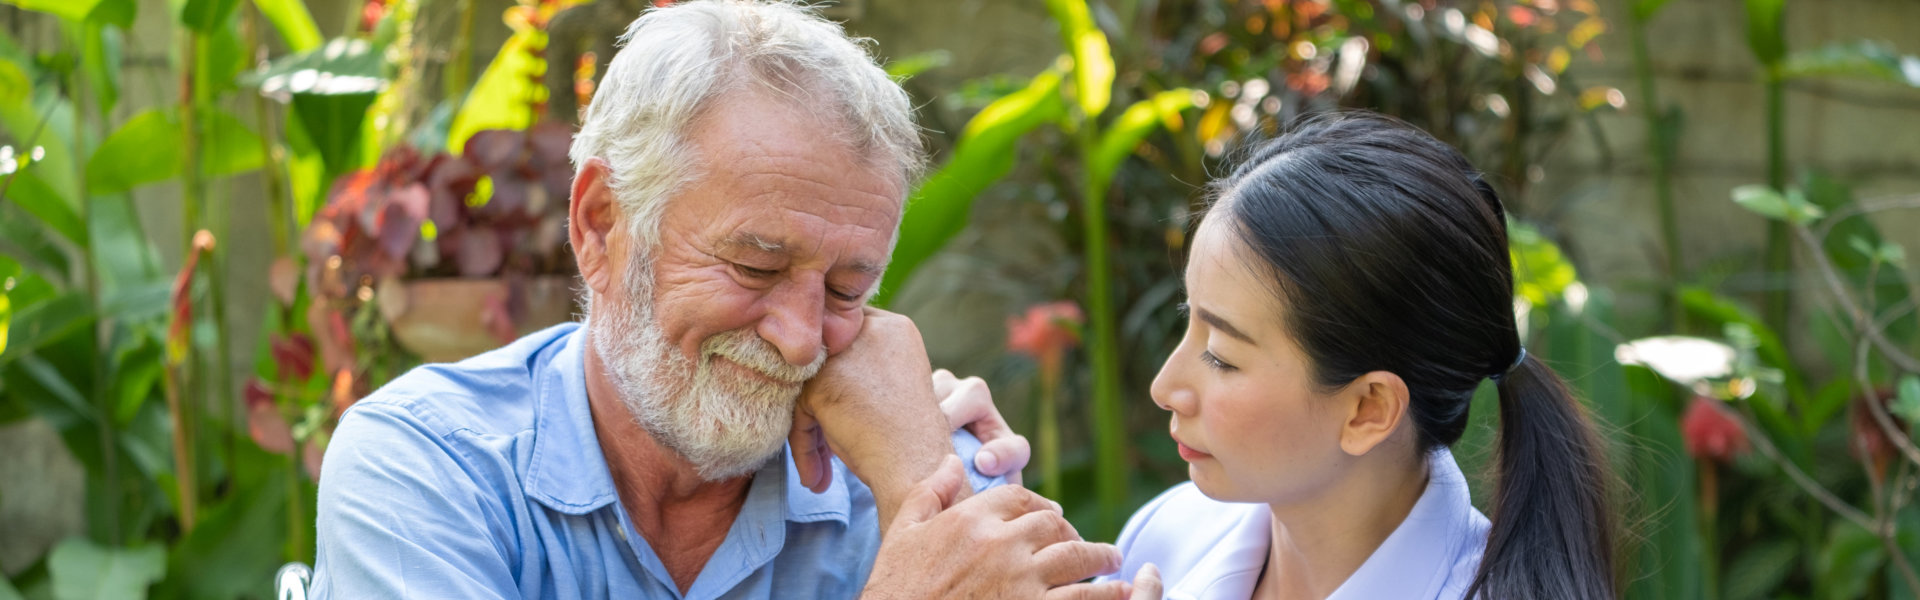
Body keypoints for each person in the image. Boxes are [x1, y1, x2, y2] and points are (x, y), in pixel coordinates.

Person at [310, 1, 1127, 598]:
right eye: (756, 267)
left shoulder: (893, 463)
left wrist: (926, 483)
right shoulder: (428, 463)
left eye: (849, 287)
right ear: (601, 226)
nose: (804, 339)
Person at [1104, 113, 1619, 599]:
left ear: (1368, 409)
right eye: (1187, 318)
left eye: (1220, 356)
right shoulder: (1166, 535)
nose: (1165, 387)